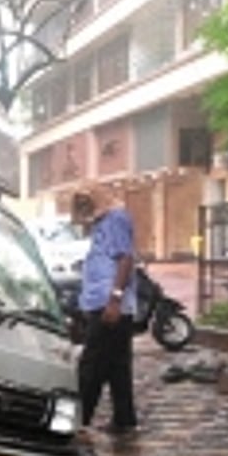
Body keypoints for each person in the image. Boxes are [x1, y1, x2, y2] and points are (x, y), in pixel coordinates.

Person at [71, 187, 138, 439]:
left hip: (109, 304)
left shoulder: (116, 219)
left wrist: (115, 300)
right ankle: (124, 418)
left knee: (92, 364)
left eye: (87, 203)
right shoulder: (102, 224)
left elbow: (125, 259)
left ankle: (79, 418)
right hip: (102, 302)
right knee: (116, 365)